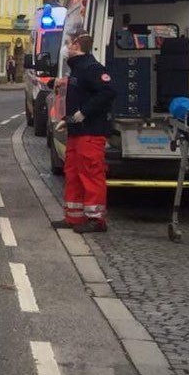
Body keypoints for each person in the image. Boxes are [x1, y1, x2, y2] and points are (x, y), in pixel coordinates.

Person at [57, 32, 116, 233]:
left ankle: (96, 219)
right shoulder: (78, 68)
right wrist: (69, 120)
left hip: (91, 131)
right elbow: (80, 97)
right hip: (78, 131)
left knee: (91, 174)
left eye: (68, 43)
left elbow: (108, 92)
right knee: (73, 173)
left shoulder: (92, 68)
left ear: (76, 45)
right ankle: (74, 217)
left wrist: (84, 112)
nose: (65, 48)